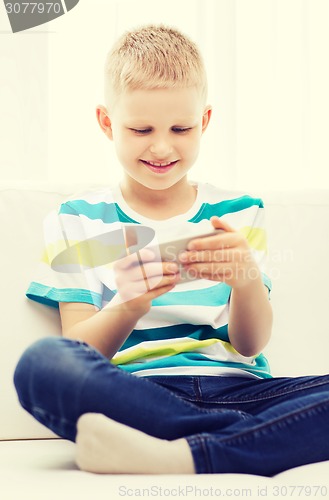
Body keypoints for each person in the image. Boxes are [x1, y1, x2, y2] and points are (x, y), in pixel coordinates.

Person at [14, 24, 329, 476]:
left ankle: (187, 452)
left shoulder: (240, 212)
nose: (162, 147)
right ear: (107, 122)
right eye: (141, 128)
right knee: (40, 365)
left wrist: (245, 279)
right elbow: (78, 350)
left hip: (242, 391)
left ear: (204, 121)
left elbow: (249, 344)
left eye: (180, 128)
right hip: (138, 396)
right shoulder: (77, 218)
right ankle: (245, 439)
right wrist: (128, 306)